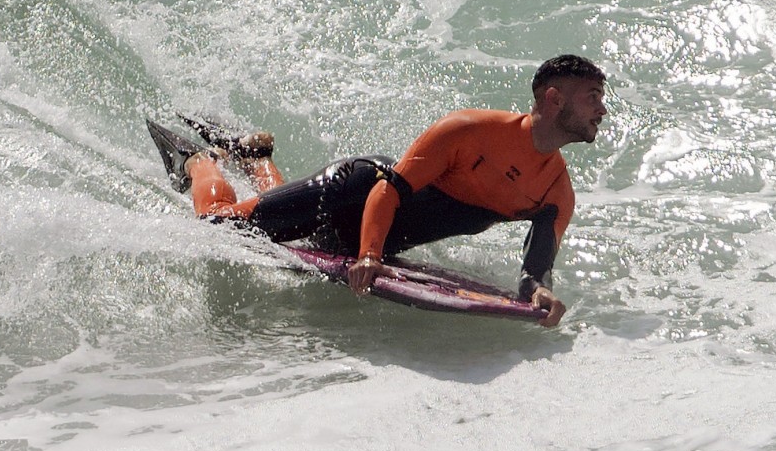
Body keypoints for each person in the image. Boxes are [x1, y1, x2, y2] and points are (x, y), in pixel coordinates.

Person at [166, 55, 607, 329]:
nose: (601, 110)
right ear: (554, 99)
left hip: (358, 241)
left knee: (288, 222)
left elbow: (535, 271)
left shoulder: (556, 193)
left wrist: (539, 292)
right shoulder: (470, 131)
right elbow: (388, 189)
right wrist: (370, 256)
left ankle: (256, 156)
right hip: (351, 193)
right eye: (592, 97)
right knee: (222, 225)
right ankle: (197, 161)